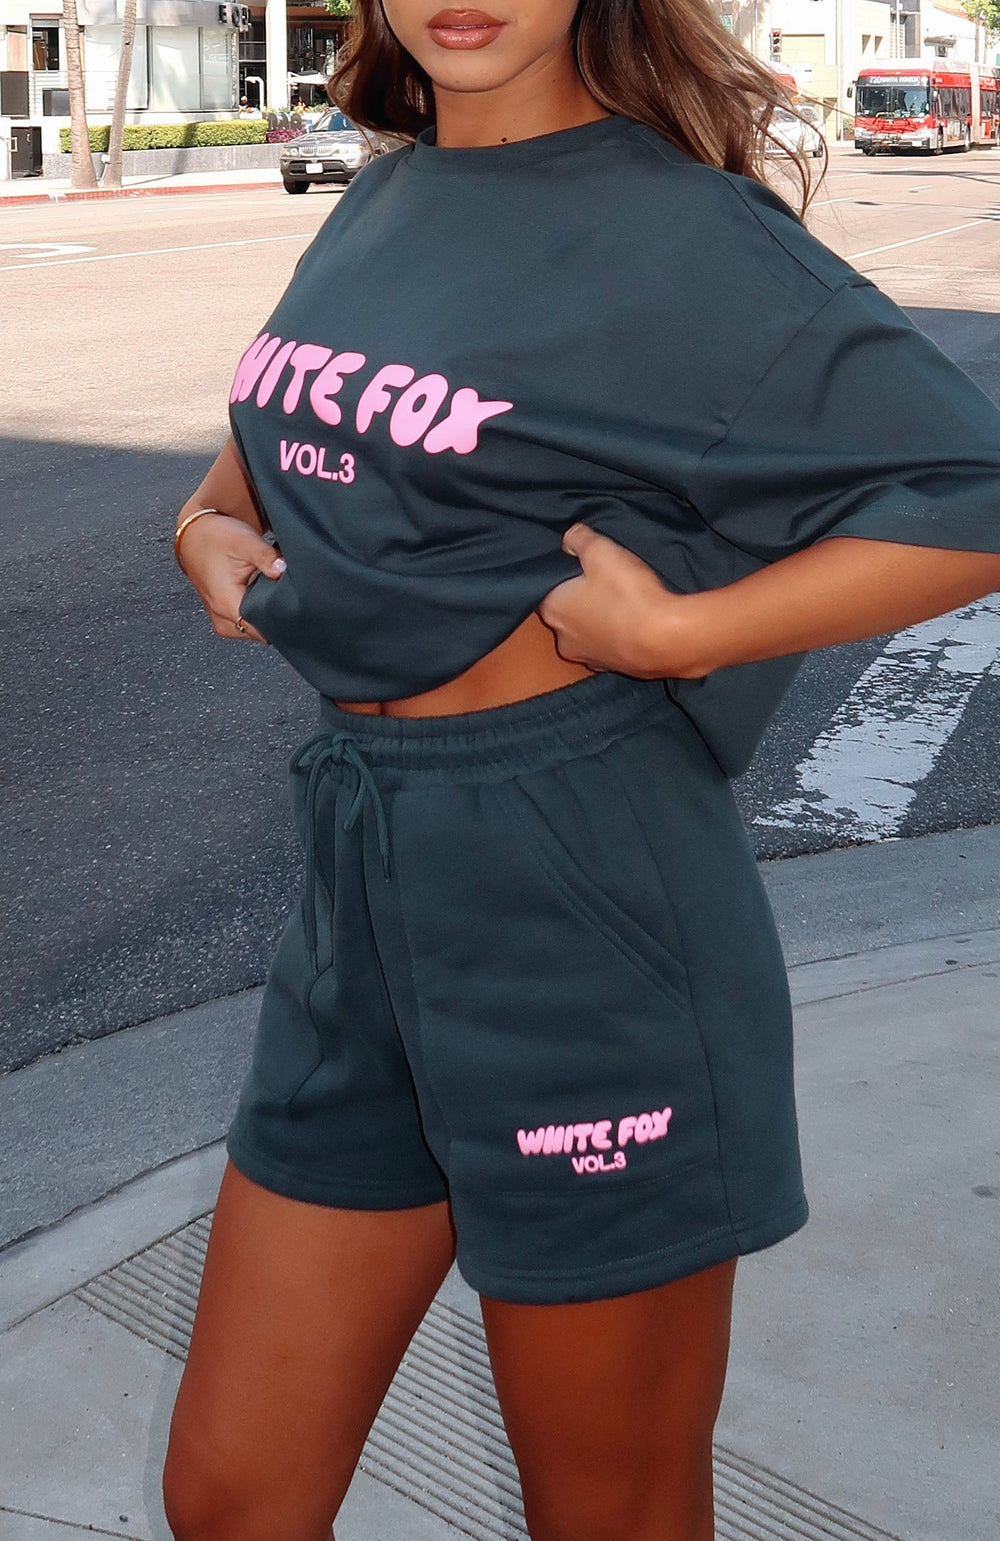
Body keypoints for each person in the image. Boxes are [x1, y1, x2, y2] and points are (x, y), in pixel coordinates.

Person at [163, 2, 1000, 1538]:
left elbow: (971, 487)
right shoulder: (387, 193)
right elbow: (280, 428)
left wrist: (687, 629)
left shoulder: (684, 235)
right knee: (232, 1494)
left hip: (584, 898)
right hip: (362, 882)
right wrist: (207, 524)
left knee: (608, 1510)